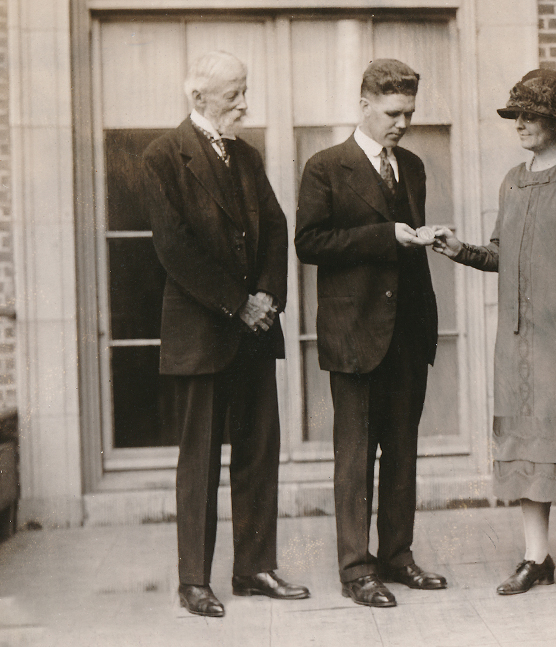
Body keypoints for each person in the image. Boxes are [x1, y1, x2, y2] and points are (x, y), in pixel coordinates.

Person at [432, 69, 556, 597]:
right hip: (520, 342)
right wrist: (459, 249)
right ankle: (536, 556)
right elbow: (501, 252)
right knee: (527, 444)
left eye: (532, 115)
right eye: (517, 114)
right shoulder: (513, 180)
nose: (521, 124)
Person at [142, 51, 309, 618]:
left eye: (244, 91)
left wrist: (266, 299)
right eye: (233, 94)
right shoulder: (162, 158)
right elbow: (174, 248)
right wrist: (238, 304)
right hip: (203, 334)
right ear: (199, 100)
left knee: (259, 452)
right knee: (200, 461)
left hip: (254, 331)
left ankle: (254, 568)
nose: (244, 104)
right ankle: (194, 582)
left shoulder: (247, 155)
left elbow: (276, 225)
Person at [295, 59, 446, 608]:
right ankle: (357, 569)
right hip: (354, 334)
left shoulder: (413, 165)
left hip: (407, 331)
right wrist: (385, 236)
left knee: (402, 451)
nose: (402, 123)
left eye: (409, 112)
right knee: (355, 456)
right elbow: (309, 243)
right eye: (392, 112)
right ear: (363, 105)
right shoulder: (325, 167)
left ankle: (398, 556)